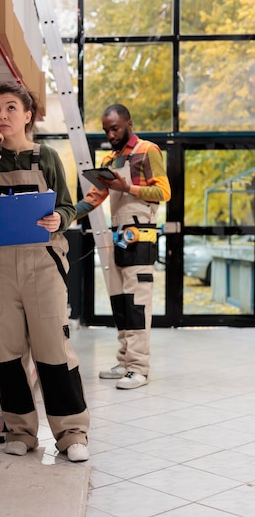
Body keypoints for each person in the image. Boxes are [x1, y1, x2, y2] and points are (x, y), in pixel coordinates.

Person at [0, 81, 90, 462]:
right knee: (6, 352)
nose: (3, 116)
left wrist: (59, 218)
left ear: (27, 116)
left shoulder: (46, 156)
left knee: (53, 348)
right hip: (0, 266)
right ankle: (20, 430)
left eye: (10, 109)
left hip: (42, 263)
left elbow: (68, 206)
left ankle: (71, 434)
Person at [75, 104, 171, 389]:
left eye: (115, 128)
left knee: (137, 304)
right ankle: (126, 361)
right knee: (121, 302)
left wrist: (126, 188)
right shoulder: (111, 159)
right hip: (118, 237)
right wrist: (64, 214)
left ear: (129, 123)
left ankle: (139, 368)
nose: (111, 134)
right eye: (106, 130)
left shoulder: (148, 150)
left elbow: (164, 191)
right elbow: (94, 198)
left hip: (140, 238)